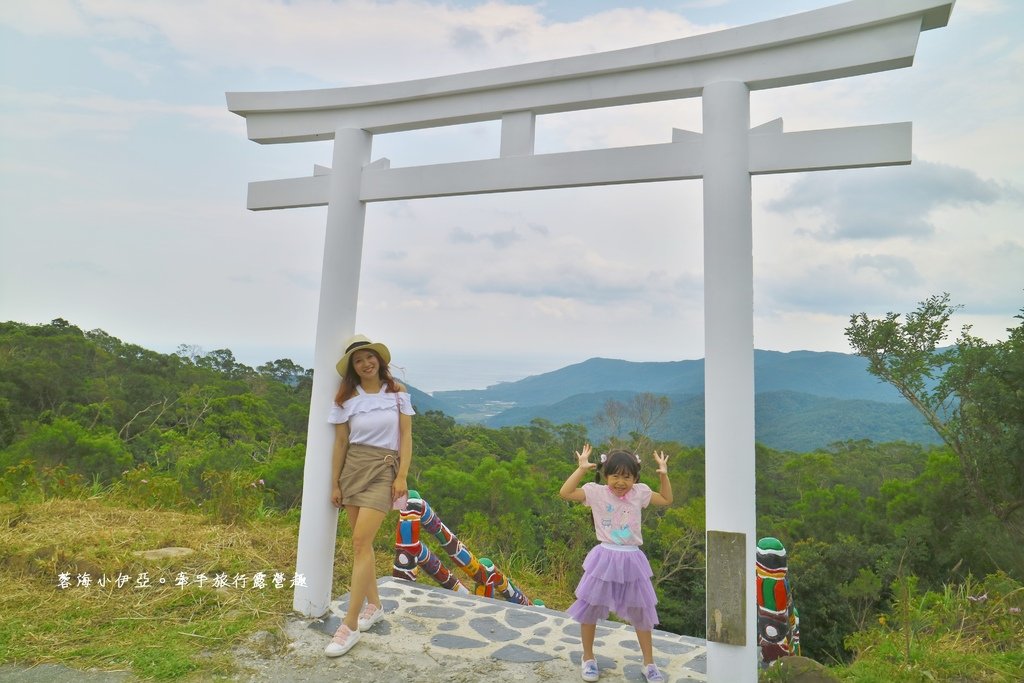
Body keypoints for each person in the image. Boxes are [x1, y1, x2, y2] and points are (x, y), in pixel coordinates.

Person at [324, 334, 414, 657]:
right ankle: (373, 605)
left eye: (369, 357)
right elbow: (340, 444)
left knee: (361, 543)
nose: (365, 363)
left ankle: (349, 625)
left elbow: (405, 437)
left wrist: (401, 475)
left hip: (383, 469)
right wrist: (335, 483)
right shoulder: (346, 399)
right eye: (358, 360)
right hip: (353, 470)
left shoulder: (397, 394)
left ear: (379, 360)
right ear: (353, 367)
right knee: (363, 544)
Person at [559, 443, 673, 683]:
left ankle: (649, 664)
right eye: (615, 476)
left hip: (632, 558)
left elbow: (665, 499)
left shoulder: (639, 493)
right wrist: (581, 469)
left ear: (635, 477)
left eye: (627, 477)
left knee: (642, 612)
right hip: (604, 558)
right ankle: (588, 658)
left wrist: (663, 475)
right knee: (589, 608)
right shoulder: (596, 492)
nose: (621, 482)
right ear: (605, 475)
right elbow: (566, 493)